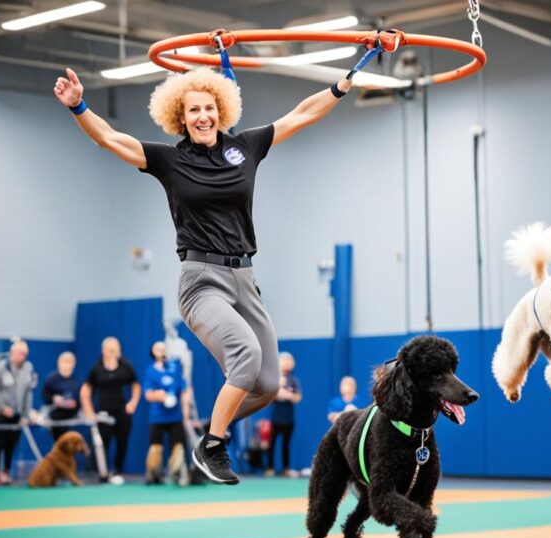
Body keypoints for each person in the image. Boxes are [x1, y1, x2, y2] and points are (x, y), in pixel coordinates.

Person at [53, 41, 356, 484]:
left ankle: (207, 434)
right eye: (193, 110)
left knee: (269, 384)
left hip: (245, 278)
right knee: (245, 355)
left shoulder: (246, 148)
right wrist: (79, 106)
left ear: (221, 109)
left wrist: (341, 85)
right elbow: (109, 138)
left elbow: (301, 115)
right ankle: (214, 445)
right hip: (202, 281)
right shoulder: (170, 160)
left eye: (209, 108)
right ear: (180, 116)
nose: (203, 116)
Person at [80, 336, 140, 484]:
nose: (114, 352)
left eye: (116, 349)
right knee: (102, 444)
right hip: (103, 413)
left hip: (122, 412)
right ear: (104, 351)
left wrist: (132, 403)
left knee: (122, 442)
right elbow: (86, 390)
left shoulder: (126, 365)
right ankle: (103, 474)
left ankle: (118, 471)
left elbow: (136, 386)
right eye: (110, 349)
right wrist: (89, 412)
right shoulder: (96, 368)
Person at [0, 340, 40, 486]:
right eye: (17, 353)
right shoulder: (0, 368)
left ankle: (6, 472)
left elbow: (28, 393)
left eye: (23, 354)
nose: (20, 356)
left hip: (16, 415)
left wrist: (26, 415)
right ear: (12, 353)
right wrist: (2, 408)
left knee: (10, 445)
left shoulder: (28, 369)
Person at [143, 341, 190, 486]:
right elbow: (148, 395)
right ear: (153, 352)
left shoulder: (175, 368)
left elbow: (183, 390)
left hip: (175, 416)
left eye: (163, 348)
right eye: (158, 348)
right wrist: (162, 396)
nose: (161, 351)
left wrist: (185, 412)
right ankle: (153, 475)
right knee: (155, 448)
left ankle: (177, 474)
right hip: (157, 417)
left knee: (178, 447)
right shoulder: (150, 371)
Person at [266, 352, 301, 478]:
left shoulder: (293, 380)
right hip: (276, 417)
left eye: (289, 360)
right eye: (285, 360)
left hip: (288, 418)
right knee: (272, 443)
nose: (287, 363)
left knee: (285, 444)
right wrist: (278, 390)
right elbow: (270, 394)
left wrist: (287, 395)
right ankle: (269, 468)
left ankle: (286, 468)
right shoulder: (274, 378)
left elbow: (297, 397)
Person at [42, 351, 83, 441]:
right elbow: (45, 396)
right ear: (59, 363)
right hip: (56, 417)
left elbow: (81, 400)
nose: (66, 365)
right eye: (64, 361)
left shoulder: (78, 381)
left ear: (74, 364)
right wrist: (54, 399)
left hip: (73, 417)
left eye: (69, 362)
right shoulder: (51, 379)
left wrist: (74, 403)